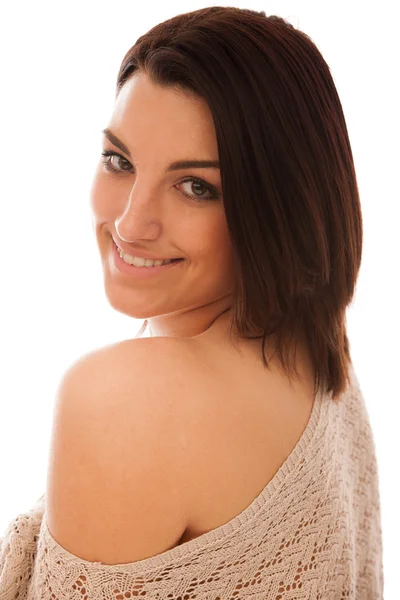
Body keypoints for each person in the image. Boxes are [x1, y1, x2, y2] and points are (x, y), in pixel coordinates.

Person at [0, 6, 383, 598]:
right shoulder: (318, 351)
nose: (130, 223)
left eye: (195, 186)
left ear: (277, 209)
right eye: (119, 161)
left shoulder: (125, 399)